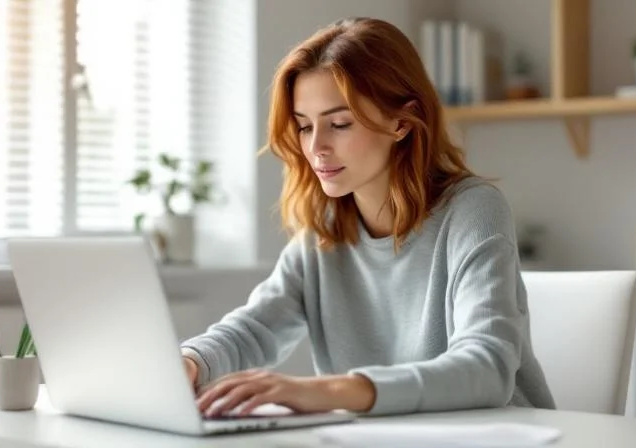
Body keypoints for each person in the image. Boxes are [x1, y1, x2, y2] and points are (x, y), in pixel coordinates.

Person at [179, 17, 556, 418]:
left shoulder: (473, 211)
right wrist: (189, 363)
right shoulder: (322, 232)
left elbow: (487, 368)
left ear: (402, 123)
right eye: (304, 127)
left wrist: (334, 390)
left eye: (339, 124)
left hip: (503, 434)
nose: (317, 146)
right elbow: (254, 329)